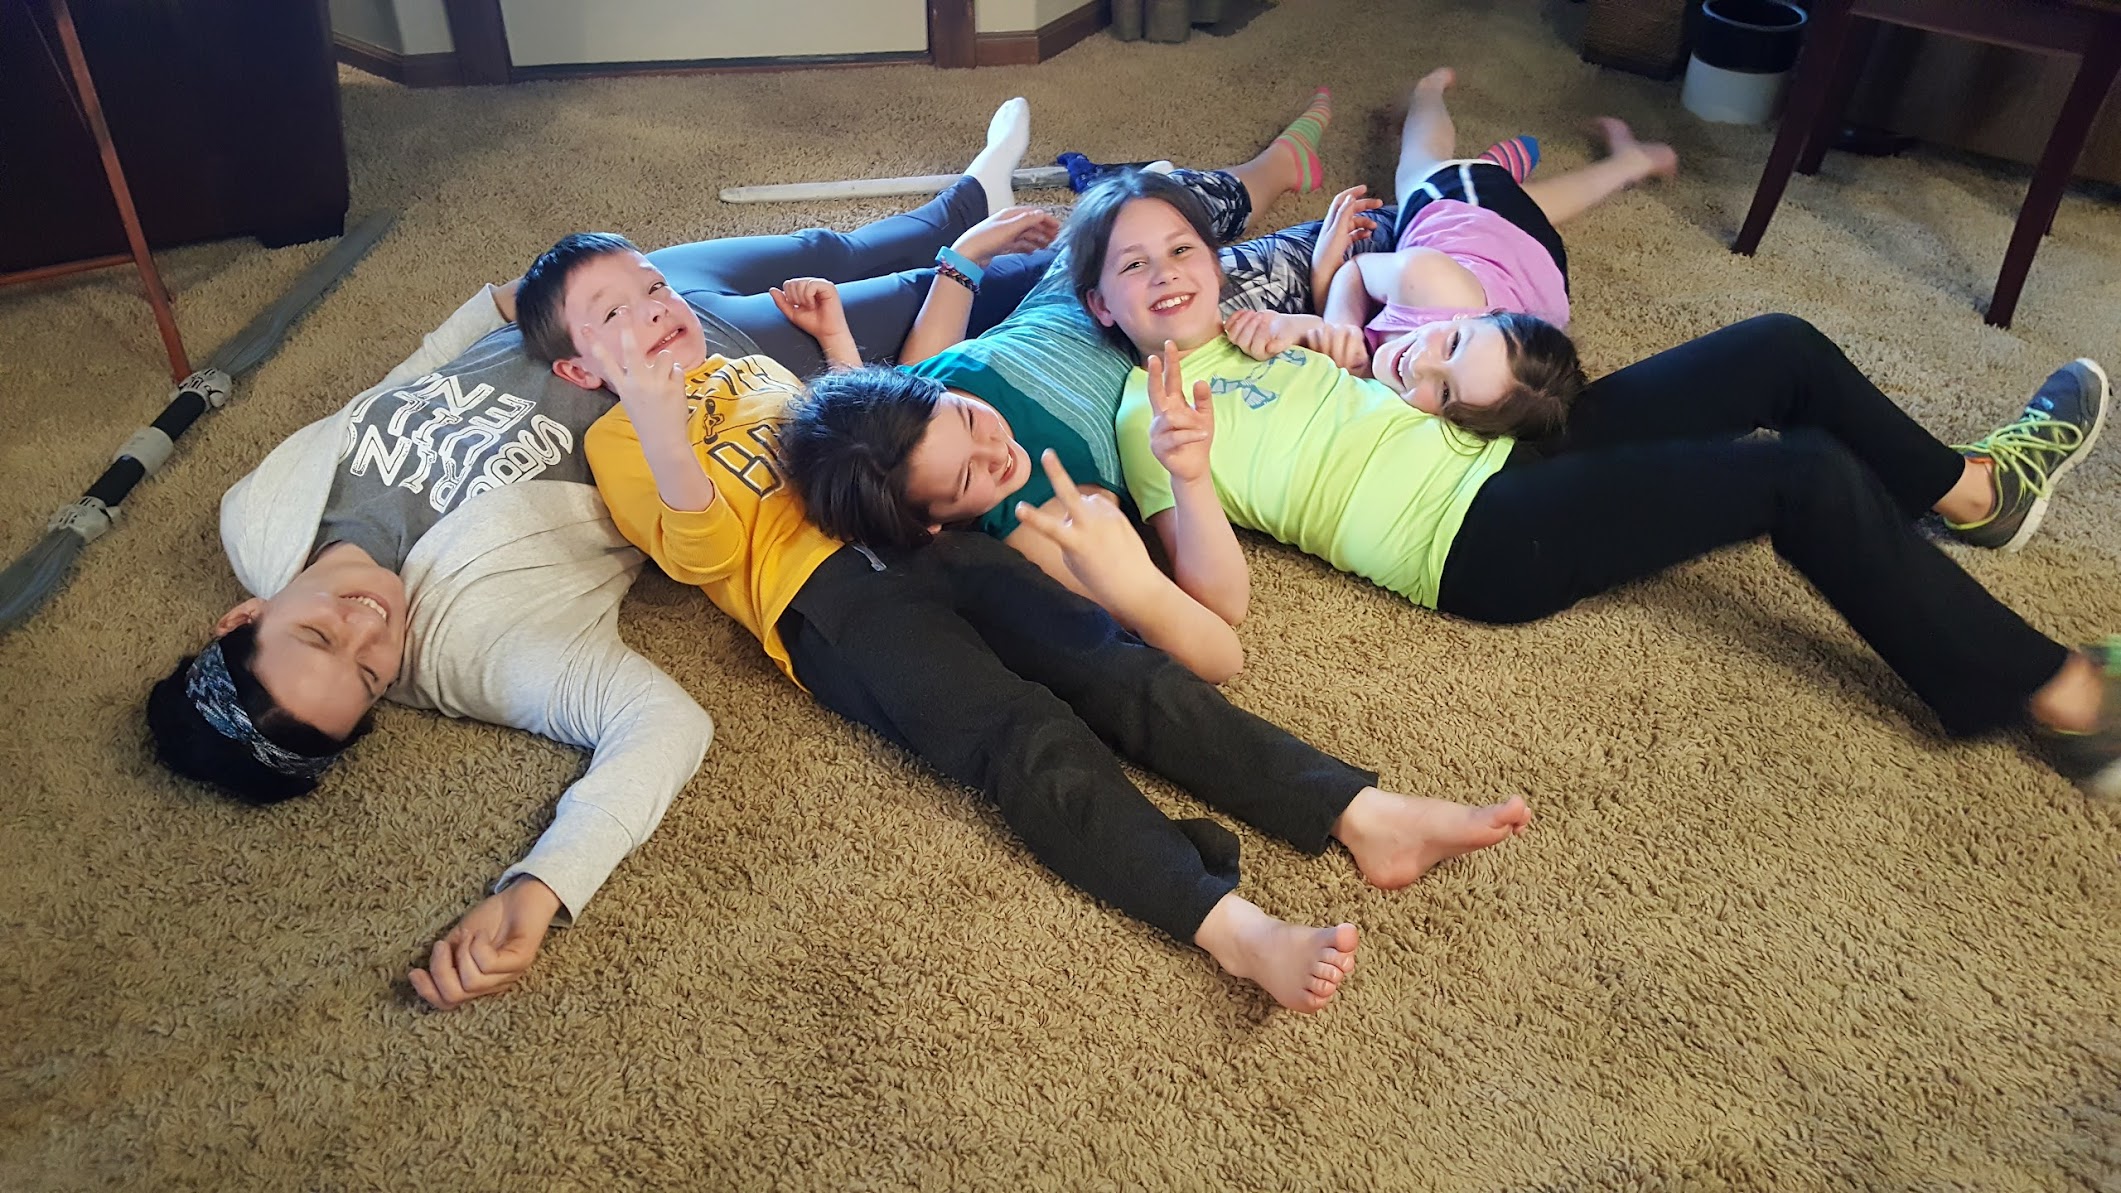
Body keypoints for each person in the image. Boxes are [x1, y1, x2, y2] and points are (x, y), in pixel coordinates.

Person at [141, 100, 1056, 1011]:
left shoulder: (256, 512)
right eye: (371, 673)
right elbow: (660, 725)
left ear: (245, 615)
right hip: (715, 379)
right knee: (946, 285)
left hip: (602, 310)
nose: (368, 627)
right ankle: (1026, 239)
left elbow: (401, 386)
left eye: (316, 636)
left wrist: (497, 304)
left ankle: (975, 183)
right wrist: (543, 883)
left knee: (833, 244)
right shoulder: (472, 651)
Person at [514, 222, 1533, 1015]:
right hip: (827, 601)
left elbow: (857, 427)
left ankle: (1358, 811)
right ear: (578, 370)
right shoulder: (620, 439)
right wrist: (657, 419)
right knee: (1022, 734)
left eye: (653, 286)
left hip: (920, 532)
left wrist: (830, 342)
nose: (653, 310)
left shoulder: (750, 370)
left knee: (1113, 661)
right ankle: (1232, 927)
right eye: (614, 313)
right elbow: (695, 554)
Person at [1055, 167, 2116, 794]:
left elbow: (1365, 363)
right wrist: (1191, 478)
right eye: (1133, 266)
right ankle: (2061, 696)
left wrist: (1324, 307)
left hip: (1495, 448)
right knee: (1798, 476)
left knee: (1779, 347)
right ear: (1101, 304)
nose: (1166, 273)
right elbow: (1217, 604)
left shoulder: (1256, 329)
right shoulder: (1154, 417)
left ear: (1214, 257)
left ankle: (1973, 495)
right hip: (1473, 535)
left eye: (1180, 248)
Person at [779, 90, 1440, 670]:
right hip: (1175, 333)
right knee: (1346, 243)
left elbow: (910, 377)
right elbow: (1211, 638)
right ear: (933, 526)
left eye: (971, 417)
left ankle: (1272, 169)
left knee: (1159, 203)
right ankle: (1429, 199)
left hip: (1079, 283)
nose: (995, 448)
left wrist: (962, 259)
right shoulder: (1044, 522)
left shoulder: (923, 408)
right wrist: (1136, 586)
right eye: (967, 478)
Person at [1263, 66, 1676, 440]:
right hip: (1466, 208)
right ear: (1468, 319)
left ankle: (1631, 161)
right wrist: (1338, 320)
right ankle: (1427, 93)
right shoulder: (1426, 280)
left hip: (1542, 271)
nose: (1419, 364)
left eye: (1444, 392)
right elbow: (1356, 270)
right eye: (1452, 345)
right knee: (1419, 167)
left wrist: (1342, 349)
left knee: (1536, 206)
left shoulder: (1480, 403)